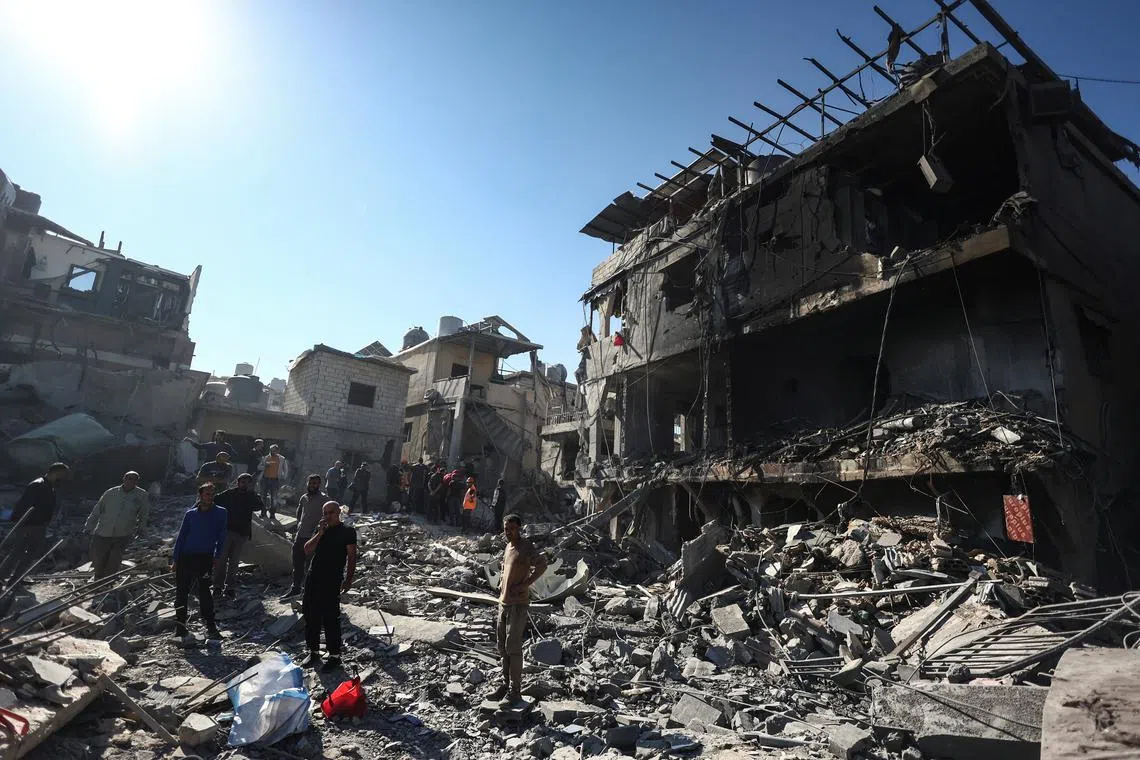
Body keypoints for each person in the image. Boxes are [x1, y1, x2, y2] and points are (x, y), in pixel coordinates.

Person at [493, 514, 548, 706]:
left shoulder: (526, 547)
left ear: (519, 528)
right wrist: (501, 584)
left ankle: (515, 691)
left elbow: (542, 565)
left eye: (512, 528)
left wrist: (526, 584)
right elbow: (504, 568)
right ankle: (505, 684)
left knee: (513, 647)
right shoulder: (508, 547)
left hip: (518, 604)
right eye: (506, 528)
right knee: (502, 646)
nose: (508, 532)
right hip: (504, 603)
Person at [300, 501, 357, 671]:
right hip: (313, 577)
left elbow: (352, 556)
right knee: (310, 615)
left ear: (338, 512)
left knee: (331, 617)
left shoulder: (347, 531)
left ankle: (334, 655)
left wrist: (348, 579)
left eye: (331, 512)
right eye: (325, 512)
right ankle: (313, 651)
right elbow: (307, 549)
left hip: (332, 579)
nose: (327, 515)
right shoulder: (321, 530)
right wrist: (320, 533)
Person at [170, 483, 227, 640]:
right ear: (200, 495)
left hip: (205, 558)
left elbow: (222, 536)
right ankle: (180, 627)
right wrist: (175, 559)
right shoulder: (190, 514)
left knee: (204, 592)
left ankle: (211, 627)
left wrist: (218, 556)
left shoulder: (221, 513)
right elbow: (181, 537)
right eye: (207, 494)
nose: (210, 496)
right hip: (186, 557)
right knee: (181, 592)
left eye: (212, 494)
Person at [0, 463, 70, 588]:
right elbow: (24, 507)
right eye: (62, 474)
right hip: (29, 525)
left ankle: (17, 579)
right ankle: (1, 577)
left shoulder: (50, 486)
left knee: (30, 554)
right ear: (56, 472)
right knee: (17, 552)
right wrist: (25, 525)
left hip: (39, 526)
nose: (63, 478)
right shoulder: (37, 485)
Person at [83, 471, 149, 581]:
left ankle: (108, 580)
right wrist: (88, 527)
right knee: (98, 556)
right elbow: (96, 511)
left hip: (123, 533)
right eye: (129, 478)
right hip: (103, 531)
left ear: (137, 482)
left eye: (134, 479)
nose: (131, 481)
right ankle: (98, 576)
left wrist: (141, 528)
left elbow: (143, 514)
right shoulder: (111, 492)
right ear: (123, 479)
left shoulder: (142, 495)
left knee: (115, 558)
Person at [212, 473, 263, 598]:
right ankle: (218, 586)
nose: (245, 484)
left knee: (234, 562)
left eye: (247, 482)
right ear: (238, 482)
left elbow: (259, 506)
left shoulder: (251, 496)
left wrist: (253, 494)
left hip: (242, 533)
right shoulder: (230, 493)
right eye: (243, 482)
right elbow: (215, 499)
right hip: (227, 531)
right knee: (221, 560)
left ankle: (230, 587)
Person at [282, 474, 326, 599]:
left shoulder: (324, 499)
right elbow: (299, 512)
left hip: (313, 538)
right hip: (300, 536)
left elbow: (328, 516)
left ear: (319, 485)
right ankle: (295, 589)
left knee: (310, 567)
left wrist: (319, 531)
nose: (313, 485)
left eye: (316, 483)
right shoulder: (304, 497)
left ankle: (309, 592)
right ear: (307, 483)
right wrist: (298, 526)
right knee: (297, 564)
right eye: (311, 483)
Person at [260, 444, 288, 519]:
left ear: (278, 451)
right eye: (271, 450)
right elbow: (259, 467)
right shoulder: (266, 458)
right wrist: (265, 465)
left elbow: (285, 469)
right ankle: (263, 512)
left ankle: (272, 513)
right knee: (263, 497)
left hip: (275, 480)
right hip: (265, 479)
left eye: (274, 450)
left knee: (274, 498)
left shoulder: (282, 459)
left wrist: (283, 477)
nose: (272, 452)